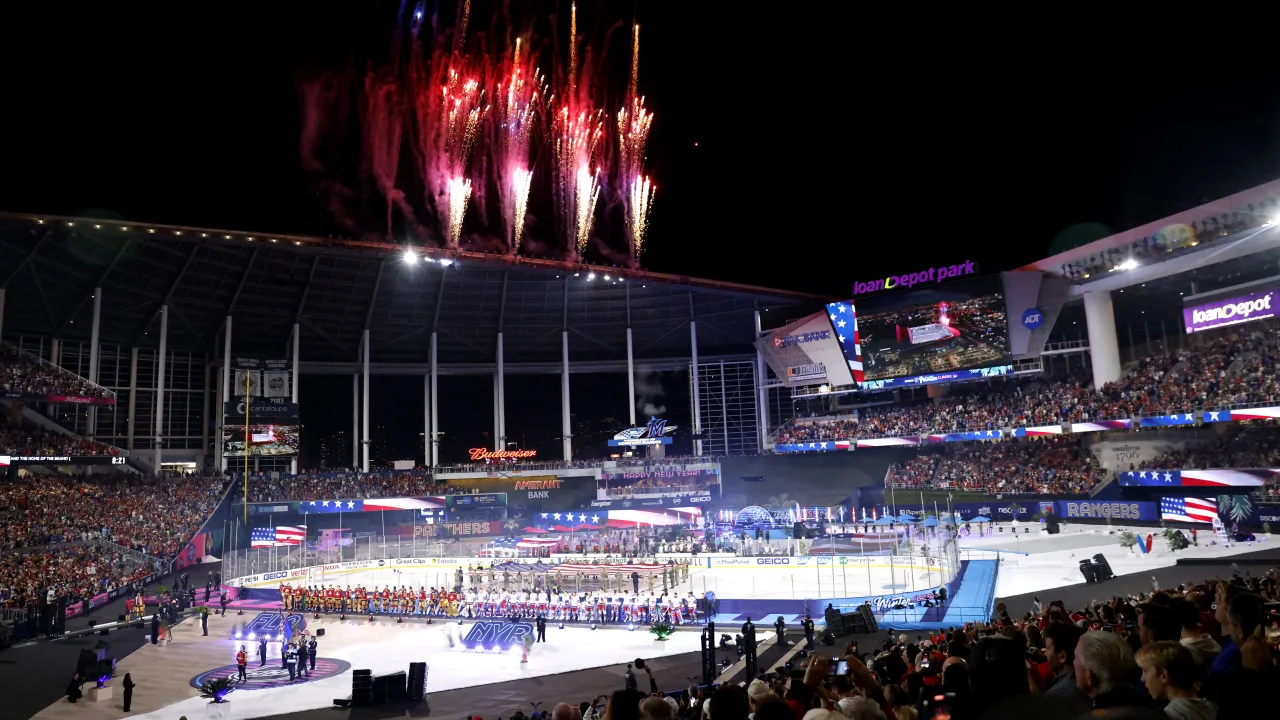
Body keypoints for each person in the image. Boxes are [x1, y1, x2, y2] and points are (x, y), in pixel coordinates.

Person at [1134, 641, 1216, 720]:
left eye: (1145, 671)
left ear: (1164, 675)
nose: (1142, 679)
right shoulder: (1212, 707)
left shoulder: (1172, 715)